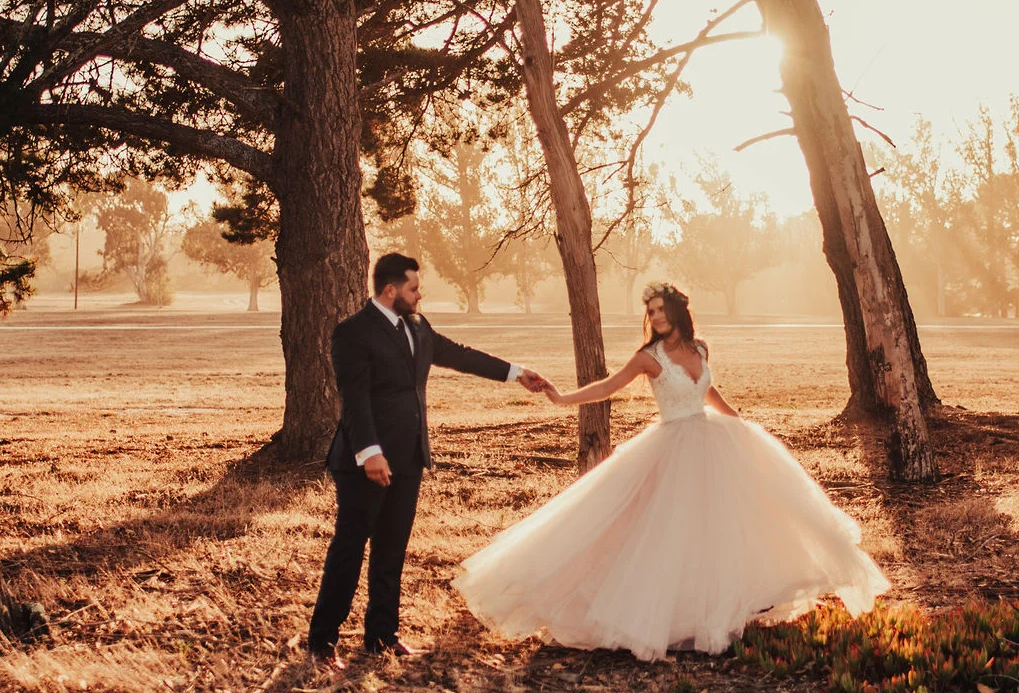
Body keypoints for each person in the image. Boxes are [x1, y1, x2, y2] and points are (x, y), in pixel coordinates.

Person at [454, 281, 889, 661]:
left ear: (678, 312)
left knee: (723, 526)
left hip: (712, 438)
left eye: (662, 309)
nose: (656, 317)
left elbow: (708, 389)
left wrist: (739, 422)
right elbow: (608, 386)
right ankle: (668, 614)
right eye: (651, 312)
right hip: (672, 445)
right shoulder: (649, 357)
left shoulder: (701, 348)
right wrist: (561, 398)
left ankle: (724, 605)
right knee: (667, 530)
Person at [307, 252, 549, 668]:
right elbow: (354, 399)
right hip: (365, 461)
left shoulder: (418, 327)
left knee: (392, 549)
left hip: (409, 457)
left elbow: (460, 355)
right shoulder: (352, 333)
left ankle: (381, 636)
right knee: (349, 549)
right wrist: (370, 453)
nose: (420, 295)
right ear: (390, 290)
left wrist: (515, 372)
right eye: (413, 288)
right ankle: (322, 642)